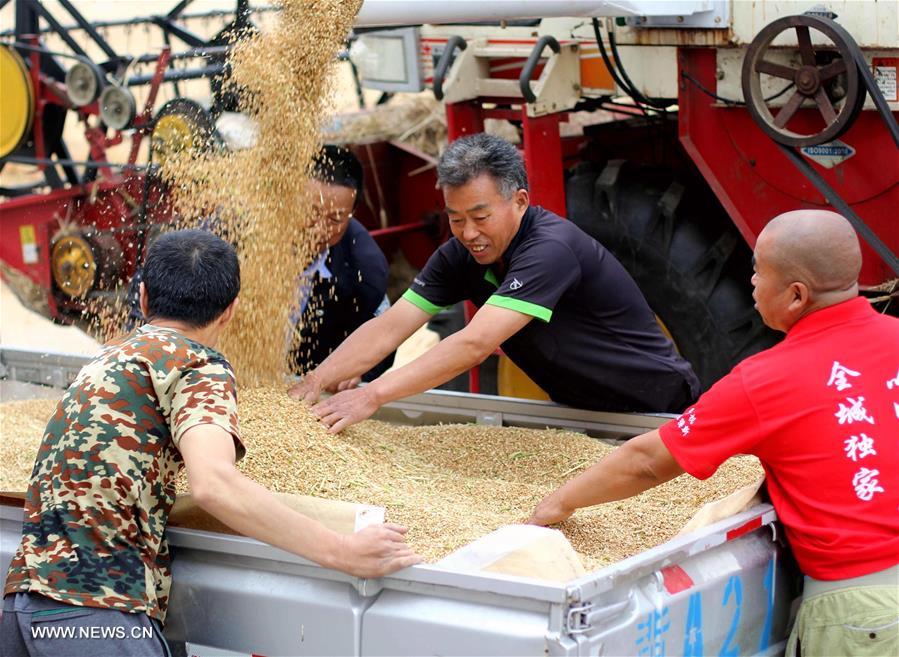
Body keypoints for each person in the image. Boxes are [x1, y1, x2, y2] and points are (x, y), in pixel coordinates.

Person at [1, 230, 420, 656]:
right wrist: (344, 551)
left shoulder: (105, 360)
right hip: (98, 614)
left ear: (143, 298)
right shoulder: (198, 364)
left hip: (21, 608)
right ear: (230, 311)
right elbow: (213, 483)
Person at [527, 210, 898, 657]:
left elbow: (647, 462)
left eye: (759, 271)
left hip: (864, 611)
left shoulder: (766, 380)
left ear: (797, 295)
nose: (752, 282)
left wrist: (559, 502)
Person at [291, 133, 699, 432]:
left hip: (658, 411)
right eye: (455, 217)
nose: (467, 232)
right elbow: (390, 326)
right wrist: (314, 382)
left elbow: (475, 343)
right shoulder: (460, 255)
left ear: (519, 201)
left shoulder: (550, 249)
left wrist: (371, 395)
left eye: (480, 216)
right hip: (583, 414)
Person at [289, 145, 393, 381]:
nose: (319, 229)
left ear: (352, 213)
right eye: (310, 212)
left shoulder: (365, 270)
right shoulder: (246, 238)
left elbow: (384, 339)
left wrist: (357, 371)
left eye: (334, 219)